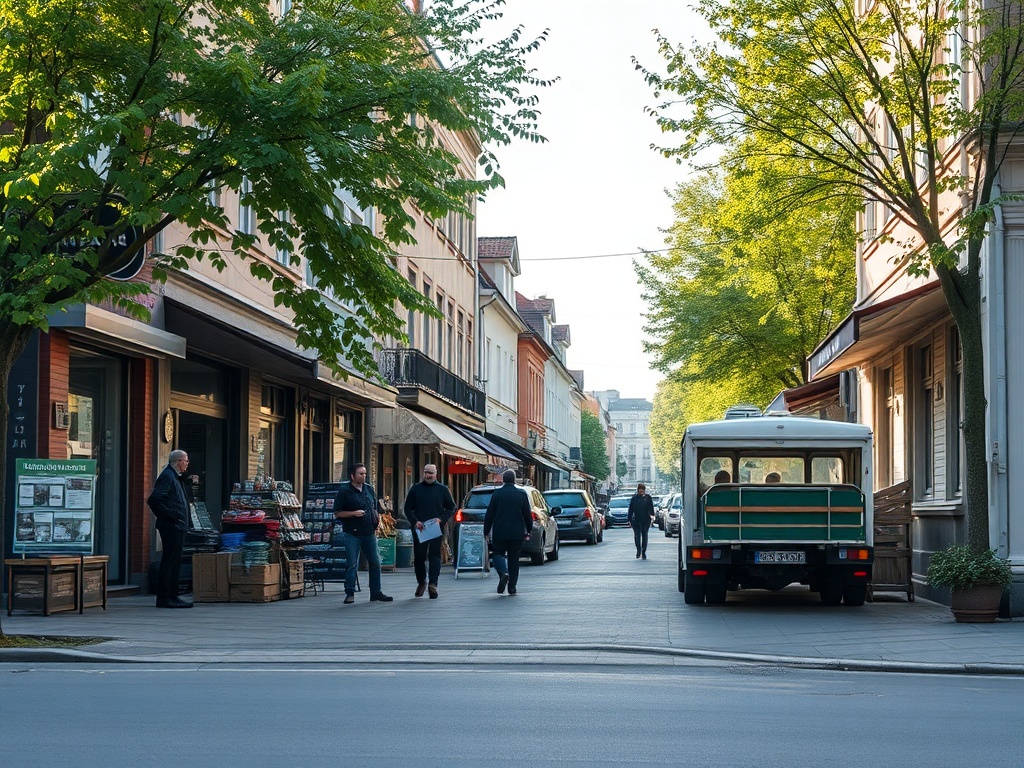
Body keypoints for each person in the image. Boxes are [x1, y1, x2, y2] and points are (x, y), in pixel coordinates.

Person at [334, 462, 392, 604]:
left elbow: (374, 507)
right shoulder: (344, 491)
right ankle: (349, 592)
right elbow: (337, 513)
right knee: (352, 563)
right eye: (361, 473)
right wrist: (353, 513)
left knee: (375, 562)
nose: (364, 476)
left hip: (369, 532)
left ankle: (376, 592)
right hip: (352, 533)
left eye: (365, 473)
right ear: (352, 476)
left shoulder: (369, 489)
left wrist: (376, 517)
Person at [147, 449, 193, 608]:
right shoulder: (168, 476)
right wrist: (173, 516)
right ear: (179, 461)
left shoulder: (175, 477)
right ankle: (166, 597)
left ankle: (173, 596)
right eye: (186, 460)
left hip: (176, 525)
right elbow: (154, 500)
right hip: (171, 526)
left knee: (174, 561)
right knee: (170, 561)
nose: (187, 463)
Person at [403, 463, 456, 599]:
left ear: (436, 474)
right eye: (426, 472)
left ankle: (433, 584)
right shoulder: (416, 489)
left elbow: (451, 507)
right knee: (419, 557)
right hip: (420, 528)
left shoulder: (442, 489)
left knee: (435, 556)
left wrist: (441, 519)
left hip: (435, 528)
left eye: (431, 473)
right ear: (423, 473)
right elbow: (408, 508)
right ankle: (421, 582)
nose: (428, 475)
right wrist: (415, 521)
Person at [483, 470, 533, 596]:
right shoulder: (521, 494)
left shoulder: (497, 494)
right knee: (514, 558)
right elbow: (527, 514)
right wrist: (529, 529)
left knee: (498, 554)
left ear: (503, 480)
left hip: (500, 531)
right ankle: (512, 587)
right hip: (517, 532)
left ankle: (503, 573)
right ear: (515, 479)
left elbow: (490, 515)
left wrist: (486, 531)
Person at [627, 483, 655, 559]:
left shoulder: (648, 498)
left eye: (642, 489)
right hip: (636, 520)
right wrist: (629, 520)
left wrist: (652, 516)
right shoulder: (634, 498)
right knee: (637, 536)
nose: (641, 491)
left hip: (646, 520)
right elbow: (631, 509)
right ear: (638, 490)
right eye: (640, 489)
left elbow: (651, 508)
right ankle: (638, 550)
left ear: (644, 490)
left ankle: (643, 551)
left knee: (645, 535)